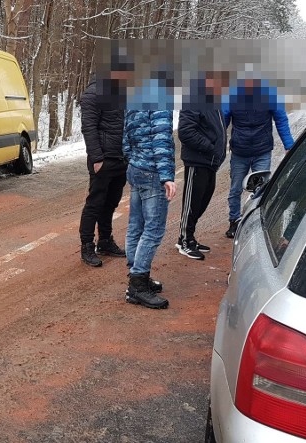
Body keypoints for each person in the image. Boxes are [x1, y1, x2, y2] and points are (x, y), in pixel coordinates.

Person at [223, 78, 294, 239]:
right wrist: (216, 146)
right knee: (235, 189)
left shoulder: (269, 95)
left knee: (261, 188)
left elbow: (281, 120)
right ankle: (234, 220)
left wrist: (289, 145)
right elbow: (223, 123)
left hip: (262, 151)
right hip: (239, 152)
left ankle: (256, 222)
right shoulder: (232, 96)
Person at [123, 106, 176, 309]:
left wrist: (135, 159)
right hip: (152, 172)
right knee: (153, 230)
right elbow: (161, 140)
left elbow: (125, 138)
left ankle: (136, 274)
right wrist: (167, 177)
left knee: (136, 225)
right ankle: (137, 285)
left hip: (136, 168)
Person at [78, 66, 130, 267]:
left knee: (111, 202)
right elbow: (88, 127)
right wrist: (97, 158)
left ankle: (105, 241)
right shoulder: (93, 93)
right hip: (103, 159)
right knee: (95, 203)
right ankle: (87, 246)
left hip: (120, 158)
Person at [176, 72, 229, 260]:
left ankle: (189, 236)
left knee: (203, 200)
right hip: (197, 160)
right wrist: (210, 147)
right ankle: (184, 240)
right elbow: (185, 131)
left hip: (210, 162)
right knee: (192, 203)